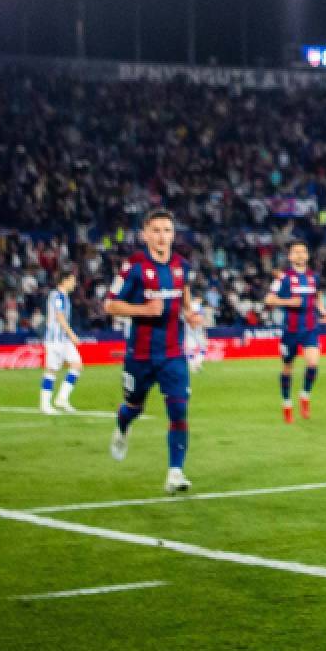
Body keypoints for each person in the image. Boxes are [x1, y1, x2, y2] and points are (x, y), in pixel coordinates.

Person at [103, 209, 203, 494]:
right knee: (134, 407)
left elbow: (184, 295)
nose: (162, 236)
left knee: (179, 411)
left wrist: (190, 314)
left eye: (167, 231)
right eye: (156, 231)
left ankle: (175, 472)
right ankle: (122, 428)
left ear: (173, 235)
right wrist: (144, 310)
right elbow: (110, 305)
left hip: (173, 354)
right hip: (140, 355)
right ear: (145, 235)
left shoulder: (182, 266)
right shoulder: (133, 266)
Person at [265, 241, 326, 423]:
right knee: (288, 368)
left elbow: (316, 297)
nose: (300, 254)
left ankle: (305, 396)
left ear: (307, 255)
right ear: (290, 256)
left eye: (303, 251)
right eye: (296, 252)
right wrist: (289, 302)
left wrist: (324, 312)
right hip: (291, 331)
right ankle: (287, 404)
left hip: (310, 328)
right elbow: (269, 299)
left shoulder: (313, 277)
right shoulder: (283, 278)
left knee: (313, 363)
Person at [39, 272, 83, 414]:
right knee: (52, 370)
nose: (74, 283)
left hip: (63, 339)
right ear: (64, 281)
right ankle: (45, 405)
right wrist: (72, 334)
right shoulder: (57, 296)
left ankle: (62, 399)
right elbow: (59, 316)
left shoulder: (63, 296)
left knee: (77, 365)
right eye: (72, 280)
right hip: (55, 340)